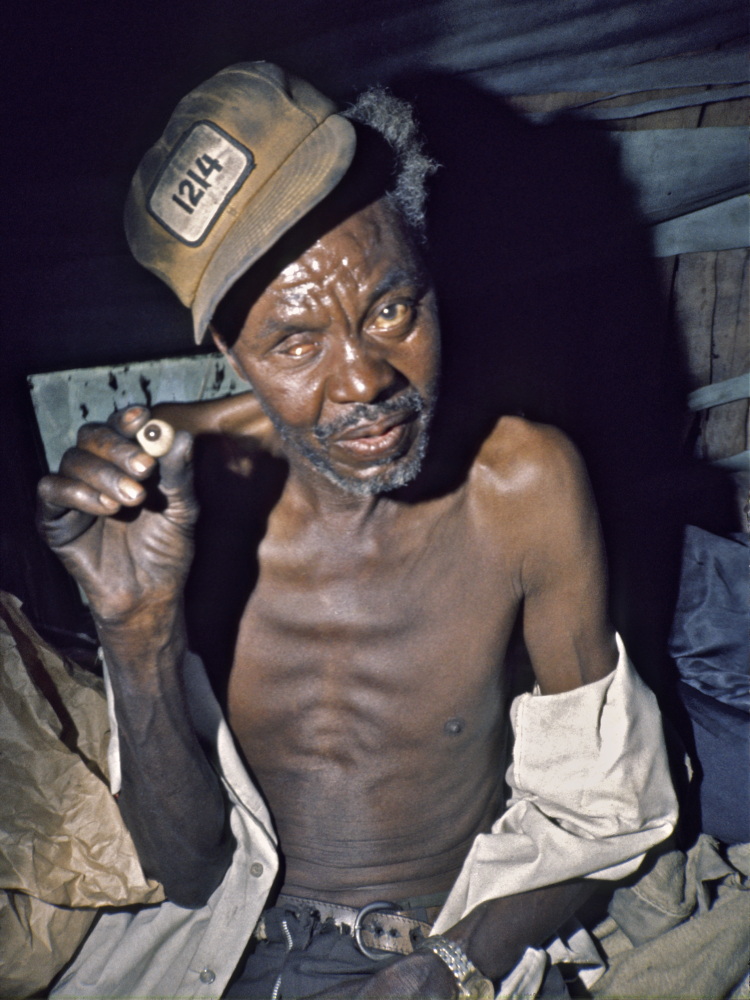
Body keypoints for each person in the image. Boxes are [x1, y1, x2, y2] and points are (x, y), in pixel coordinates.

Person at [37, 62, 677, 999]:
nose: (364, 381)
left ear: (429, 267)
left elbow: (602, 815)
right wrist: (136, 633)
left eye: (392, 309)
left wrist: (450, 965)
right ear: (229, 350)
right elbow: (188, 871)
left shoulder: (523, 486)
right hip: (214, 949)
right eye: (295, 342)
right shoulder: (179, 493)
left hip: (436, 945)